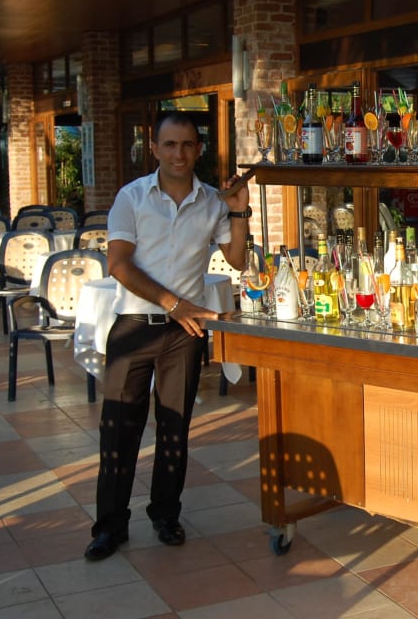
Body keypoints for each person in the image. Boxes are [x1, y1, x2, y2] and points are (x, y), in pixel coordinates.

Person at [85, 113, 250, 561]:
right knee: (119, 431)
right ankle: (110, 526)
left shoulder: (213, 202)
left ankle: (165, 514)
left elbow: (237, 261)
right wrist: (173, 304)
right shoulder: (132, 197)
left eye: (188, 144)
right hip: (134, 326)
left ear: (199, 149)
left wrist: (239, 210)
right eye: (171, 144)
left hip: (184, 333)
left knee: (175, 430)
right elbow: (118, 264)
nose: (180, 153)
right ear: (154, 149)